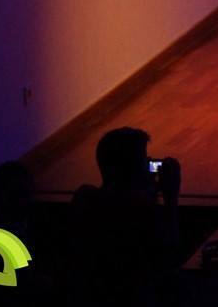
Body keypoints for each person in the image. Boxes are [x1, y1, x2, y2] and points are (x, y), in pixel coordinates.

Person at [65, 128, 180, 305]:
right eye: (143, 159)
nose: (148, 163)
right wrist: (170, 197)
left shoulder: (85, 200)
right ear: (130, 169)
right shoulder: (141, 210)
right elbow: (168, 254)